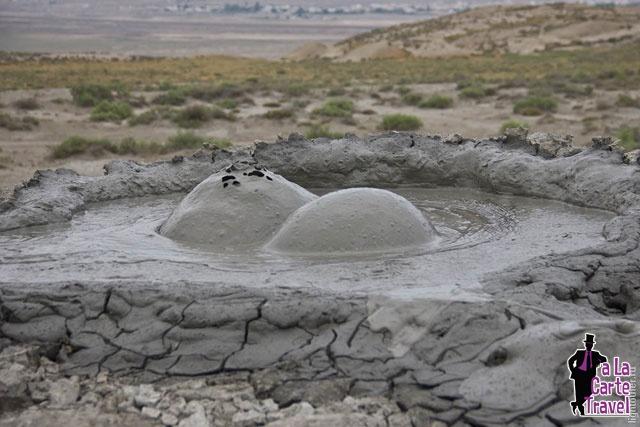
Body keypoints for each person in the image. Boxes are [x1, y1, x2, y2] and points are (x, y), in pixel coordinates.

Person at [567, 333, 607, 415]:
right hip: (579, 374)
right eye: (588, 344)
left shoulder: (595, 354)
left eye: (590, 344)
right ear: (585, 345)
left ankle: (575, 404)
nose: (589, 346)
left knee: (589, 393)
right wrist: (573, 370)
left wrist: (597, 361)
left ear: (592, 345)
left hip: (589, 376)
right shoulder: (579, 353)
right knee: (579, 393)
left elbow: (604, 359)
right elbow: (570, 361)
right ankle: (581, 411)